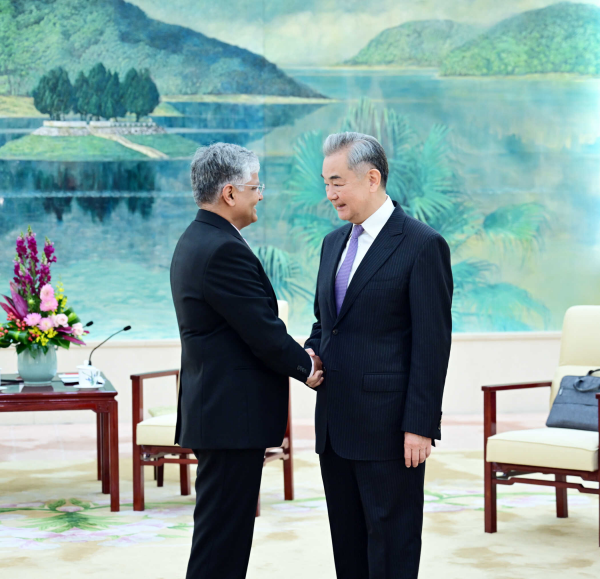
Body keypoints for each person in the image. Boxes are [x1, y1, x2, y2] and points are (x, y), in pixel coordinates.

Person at [170, 143, 323, 579]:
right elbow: (262, 332)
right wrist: (308, 367)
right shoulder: (222, 248)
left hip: (218, 414)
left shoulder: (197, 238)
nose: (261, 195)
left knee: (222, 537)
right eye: (256, 187)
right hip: (229, 418)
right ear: (230, 193)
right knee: (221, 545)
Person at [305, 132, 453, 579]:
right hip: (334, 426)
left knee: (392, 546)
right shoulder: (332, 243)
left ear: (372, 178)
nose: (329, 194)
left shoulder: (422, 244)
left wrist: (420, 426)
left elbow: (432, 344)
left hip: (390, 431)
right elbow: (326, 322)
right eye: (326, 183)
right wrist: (310, 354)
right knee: (347, 546)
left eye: (337, 182)